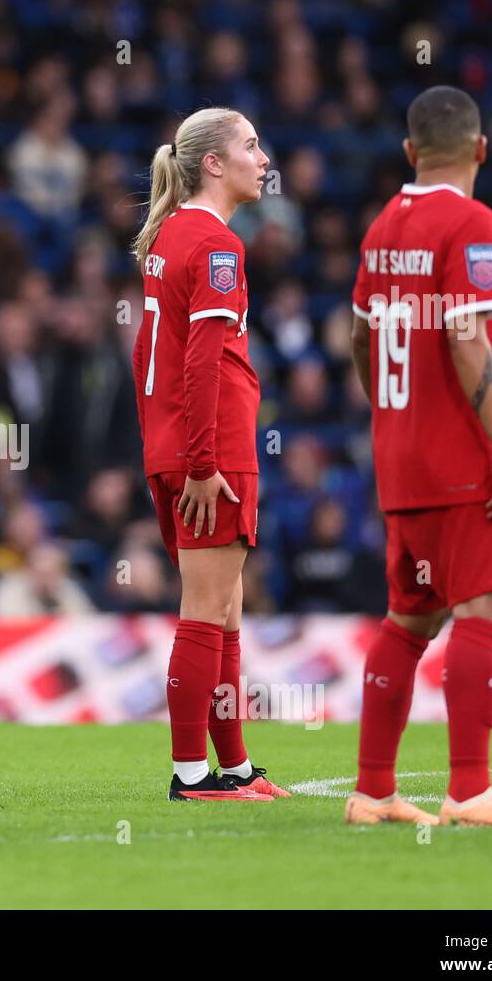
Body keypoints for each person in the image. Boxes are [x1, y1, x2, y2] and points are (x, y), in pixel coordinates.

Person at [348, 86, 492, 828]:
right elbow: (468, 335)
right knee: (489, 605)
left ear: (410, 153)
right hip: (462, 460)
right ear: (480, 149)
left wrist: (392, 416)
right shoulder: (472, 222)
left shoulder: (381, 229)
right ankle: (471, 791)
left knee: (409, 617)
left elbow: (358, 337)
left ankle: (372, 792)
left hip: (400, 462)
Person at [131, 107, 289, 802]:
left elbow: (148, 356)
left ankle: (236, 767)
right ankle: (191, 773)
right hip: (211, 452)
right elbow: (199, 361)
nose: (264, 158)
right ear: (214, 164)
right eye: (251, 146)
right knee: (205, 613)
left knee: (225, 614)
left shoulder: (171, 235)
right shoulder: (219, 246)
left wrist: (169, 449)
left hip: (182, 446)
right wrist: (201, 462)